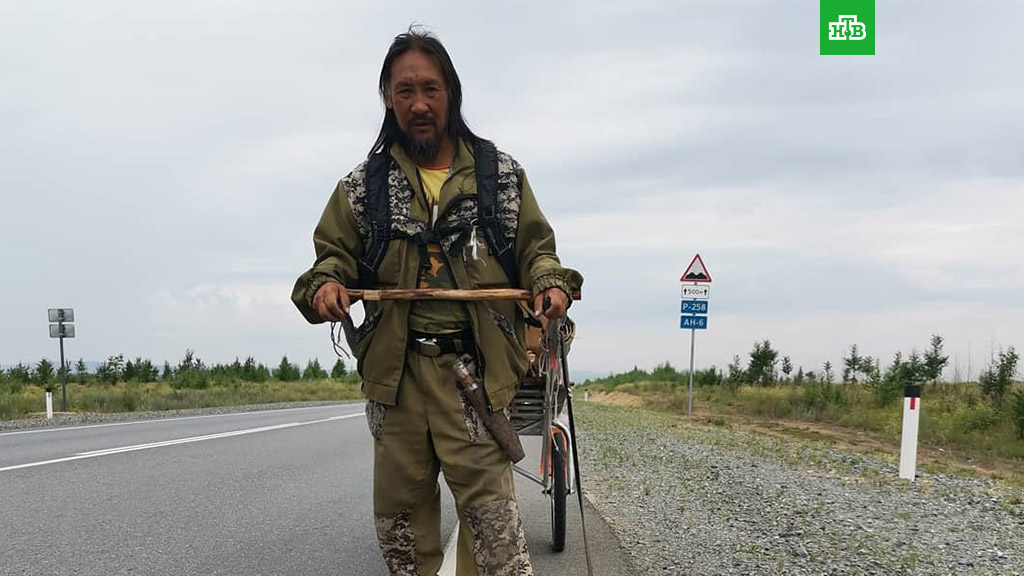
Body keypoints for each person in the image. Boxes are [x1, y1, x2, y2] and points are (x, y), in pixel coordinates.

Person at [292, 26, 582, 576]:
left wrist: (550, 282)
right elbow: (331, 258)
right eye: (405, 91)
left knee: (496, 542)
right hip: (396, 383)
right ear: (388, 98)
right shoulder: (362, 188)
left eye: (430, 89)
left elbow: (537, 251)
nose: (419, 104)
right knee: (402, 536)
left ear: (451, 93)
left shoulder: (500, 177)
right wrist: (326, 286)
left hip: (475, 379)